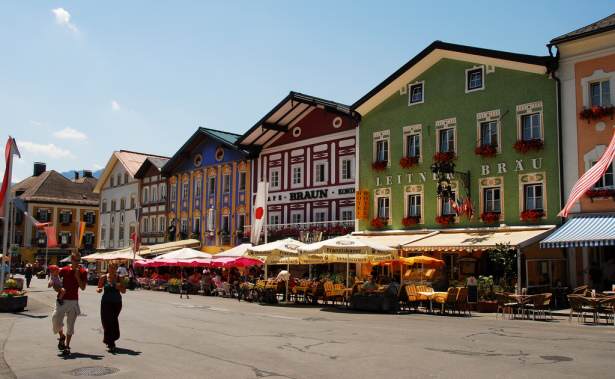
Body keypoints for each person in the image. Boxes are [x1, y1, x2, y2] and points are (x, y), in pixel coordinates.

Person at [52, 254, 86, 356]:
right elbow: (55, 282)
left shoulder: (82, 272)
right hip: (62, 299)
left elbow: (83, 287)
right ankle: (62, 336)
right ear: (71, 260)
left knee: (70, 325)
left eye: (79, 260)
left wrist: (77, 277)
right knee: (55, 320)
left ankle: (67, 346)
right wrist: (58, 288)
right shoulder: (64, 270)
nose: (77, 262)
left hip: (73, 301)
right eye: (75, 260)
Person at [96, 263, 125, 352]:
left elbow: (124, 291)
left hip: (116, 303)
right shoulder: (104, 277)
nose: (112, 269)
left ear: (116, 269)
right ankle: (110, 342)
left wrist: (119, 287)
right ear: (108, 268)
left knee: (113, 321)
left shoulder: (119, 278)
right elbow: (98, 287)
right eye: (111, 267)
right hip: (105, 303)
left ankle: (111, 341)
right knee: (106, 322)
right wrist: (99, 290)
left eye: (114, 268)